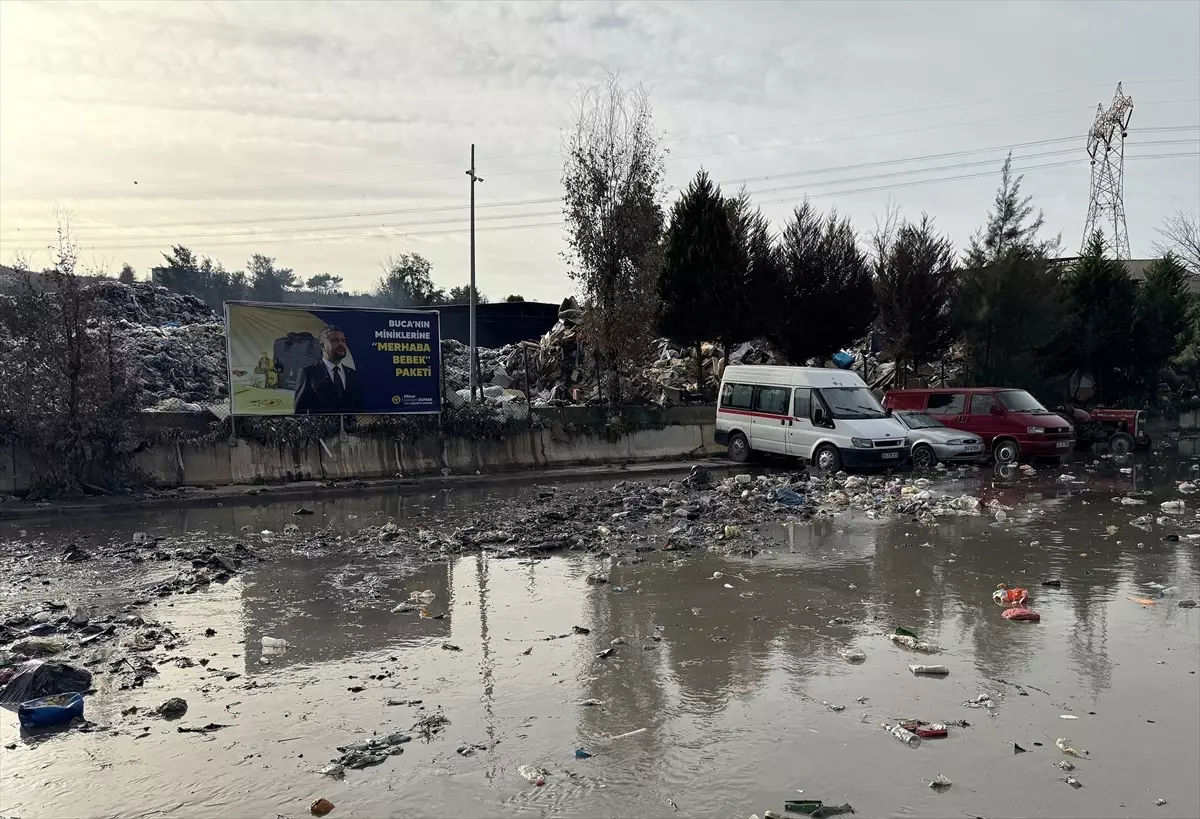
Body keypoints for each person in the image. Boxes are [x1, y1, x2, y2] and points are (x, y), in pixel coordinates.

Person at [293, 325, 365, 414]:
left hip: (349, 427)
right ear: (323, 346)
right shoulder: (308, 373)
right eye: (335, 340)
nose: (341, 344)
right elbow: (300, 410)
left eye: (343, 340)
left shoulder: (353, 374)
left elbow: (359, 408)